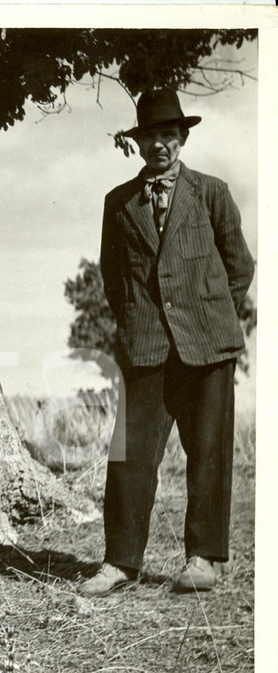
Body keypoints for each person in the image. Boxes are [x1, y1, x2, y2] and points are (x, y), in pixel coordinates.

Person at [79, 89, 255, 597]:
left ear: (181, 138)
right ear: (138, 143)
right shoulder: (119, 203)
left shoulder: (212, 192)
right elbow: (113, 278)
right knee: (130, 456)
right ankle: (119, 563)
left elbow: (238, 266)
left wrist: (208, 315)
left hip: (208, 347)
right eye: (150, 135)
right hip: (146, 348)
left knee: (209, 452)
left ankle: (203, 559)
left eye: (168, 135)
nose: (159, 144)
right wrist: (139, 319)